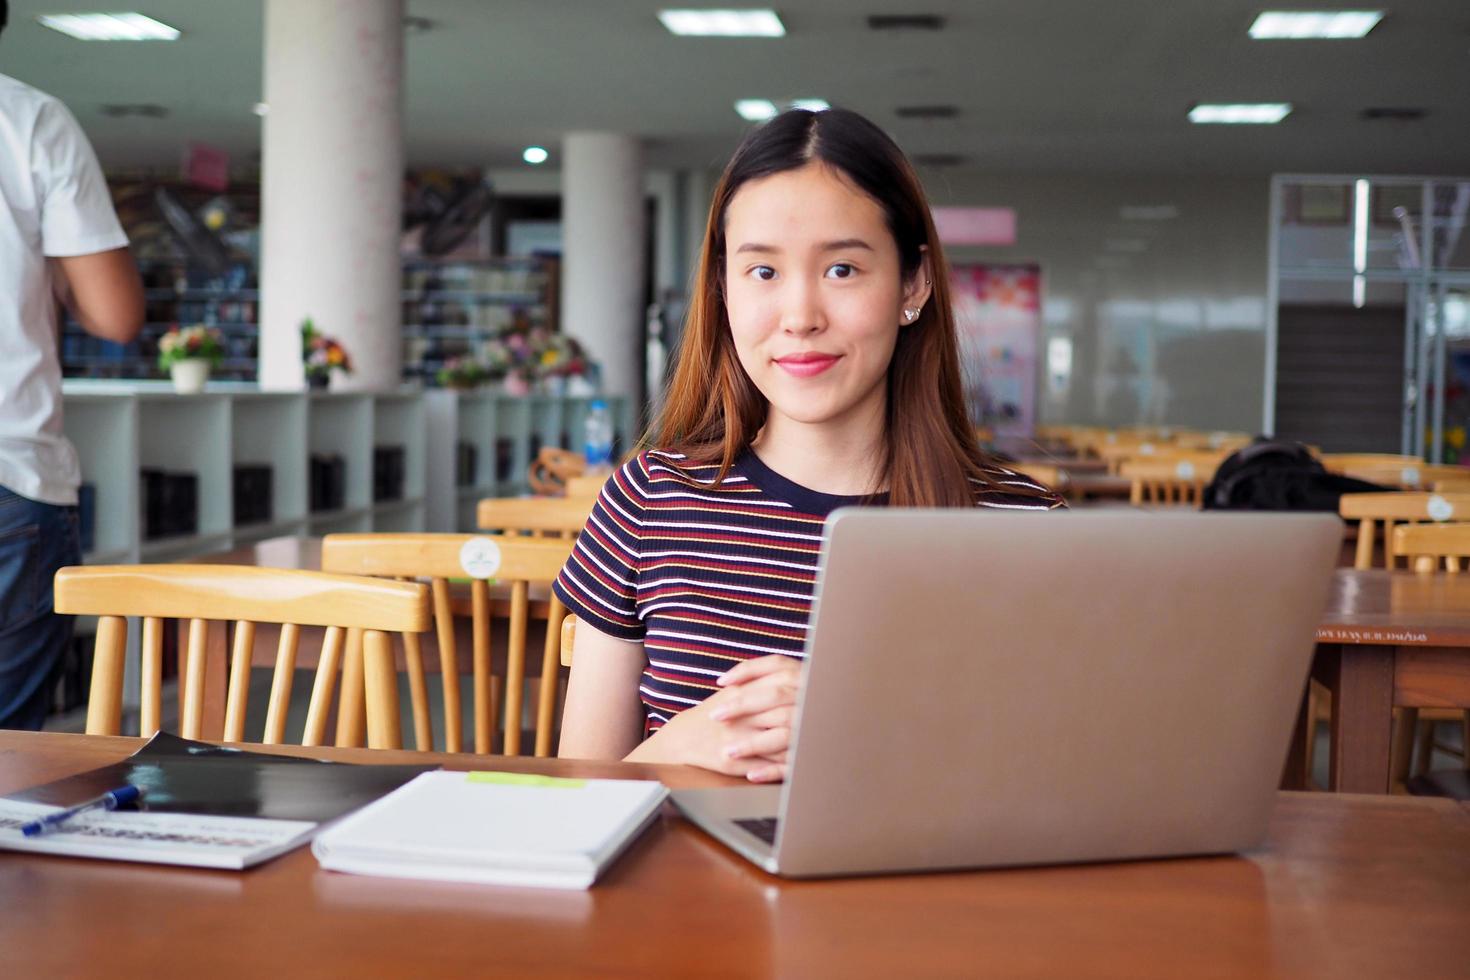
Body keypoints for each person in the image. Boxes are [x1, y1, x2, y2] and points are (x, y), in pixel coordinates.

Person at [553, 107, 1062, 781]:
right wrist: (682, 745)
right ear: (723, 291)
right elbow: (575, 797)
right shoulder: (648, 500)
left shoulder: (1023, 528)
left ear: (913, 284)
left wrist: (857, 729)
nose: (800, 317)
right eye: (762, 272)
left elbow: (1050, 793)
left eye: (843, 270)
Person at [0, 0, 144, 729]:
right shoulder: (29, 121)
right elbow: (116, 316)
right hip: (10, 475)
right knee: (9, 768)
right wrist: (52, 275)